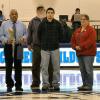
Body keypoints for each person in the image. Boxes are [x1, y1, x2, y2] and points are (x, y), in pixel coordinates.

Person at [0, 9, 27, 92]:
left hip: (19, 47)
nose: (14, 15)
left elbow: (26, 34)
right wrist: (6, 40)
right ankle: (9, 84)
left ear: (17, 15)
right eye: (12, 14)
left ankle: (18, 85)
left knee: (18, 66)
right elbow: (1, 36)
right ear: (9, 15)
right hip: (8, 47)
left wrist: (24, 38)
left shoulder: (22, 24)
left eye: (15, 14)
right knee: (8, 66)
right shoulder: (4, 24)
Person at [27, 6, 53, 90]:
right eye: (39, 10)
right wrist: (28, 44)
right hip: (36, 46)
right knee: (35, 64)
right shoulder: (32, 21)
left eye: (42, 10)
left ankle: (50, 82)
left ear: (44, 11)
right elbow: (29, 33)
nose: (41, 11)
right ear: (37, 11)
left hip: (47, 46)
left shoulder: (48, 20)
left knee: (49, 65)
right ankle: (35, 82)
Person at [38, 7, 63, 91]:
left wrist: (56, 42)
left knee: (56, 68)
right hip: (44, 49)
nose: (50, 14)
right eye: (48, 12)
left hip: (55, 49)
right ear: (46, 14)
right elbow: (39, 35)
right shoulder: (42, 24)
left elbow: (61, 35)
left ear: (54, 14)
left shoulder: (58, 24)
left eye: (52, 12)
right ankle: (45, 84)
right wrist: (42, 44)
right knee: (44, 67)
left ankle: (56, 84)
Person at [71, 14, 96, 91]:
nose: (82, 21)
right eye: (81, 20)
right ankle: (84, 84)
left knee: (88, 69)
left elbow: (90, 41)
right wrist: (75, 47)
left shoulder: (91, 30)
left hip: (88, 54)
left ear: (88, 21)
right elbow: (72, 41)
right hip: (79, 53)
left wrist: (80, 46)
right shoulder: (77, 30)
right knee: (82, 70)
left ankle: (89, 85)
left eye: (84, 19)